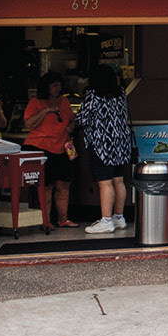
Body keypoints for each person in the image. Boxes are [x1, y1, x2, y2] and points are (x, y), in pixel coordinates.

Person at [74, 65, 134, 234]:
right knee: (118, 180)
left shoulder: (93, 96)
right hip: (121, 143)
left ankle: (106, 220)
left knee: (105, 183)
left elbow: (82, 118)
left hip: (102, 144)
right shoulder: (121, 94)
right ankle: (118, 217)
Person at [23, 73, 77, 229]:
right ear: (46, 87)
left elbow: (71, 120)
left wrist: (71, 126)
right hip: (42, 147)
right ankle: (45, 221)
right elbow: (29, 123)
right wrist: (46, 110)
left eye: (59, 85)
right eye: (54, 85)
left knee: (63, 185)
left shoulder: (64, 101)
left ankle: (63, 219)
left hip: (63, 147)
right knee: (47, 186)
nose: (57, 88)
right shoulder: (36, 102)